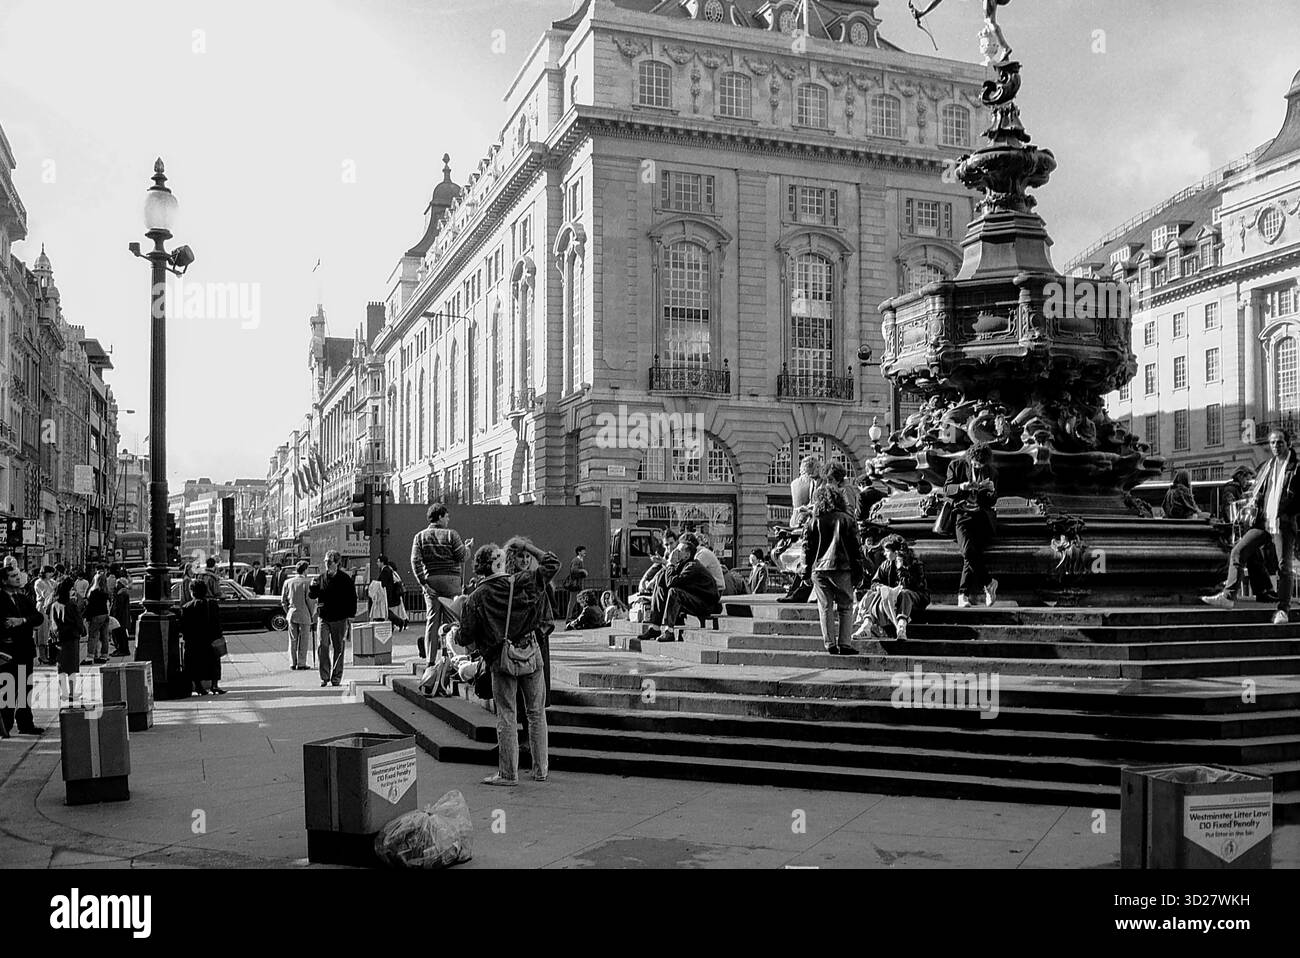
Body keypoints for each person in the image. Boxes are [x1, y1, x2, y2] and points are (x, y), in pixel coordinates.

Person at [458, 538, 559, 786]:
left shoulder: (476, 597)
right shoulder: (522, 582)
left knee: (506, 716)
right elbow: (552, 563)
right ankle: (541, 770)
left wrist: (455, 626)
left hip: (501, 660)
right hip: (530, 655)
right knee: (536, 714)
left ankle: (508, 774)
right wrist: (527, 546)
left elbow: (465, 637)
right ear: (497, 565)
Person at [1202, 428, 1300, 624]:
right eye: (1272, 442)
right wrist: (1253, 502)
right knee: (1238, 551)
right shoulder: (1267, 466)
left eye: (1279, 442)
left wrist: (1289, 513)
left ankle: (1283, 610)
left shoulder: (1296, 468)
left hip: (1283, 522)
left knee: (1284, 567)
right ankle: (1228, 596)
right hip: (1263, 521)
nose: (1275, 446)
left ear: (1288, 443)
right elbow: (1259, 491)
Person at [803, 484, 865, 655]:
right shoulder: (847, 519)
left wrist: (805, 572)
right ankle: (845, 643)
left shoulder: (813, 521)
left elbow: (807, 548)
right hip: (843, 567)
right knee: (845, 607)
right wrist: (859, 573)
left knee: (825, 607)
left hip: (819, 569)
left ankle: (829, 643)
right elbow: (856, 548)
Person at [410, 503, 470, 661]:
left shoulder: (420, 537)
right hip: (451, 581)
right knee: (451, 621)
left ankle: (430, 660)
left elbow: (415, 561)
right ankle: (449, 659)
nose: (448, 519)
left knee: (432, 621)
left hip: (432, 581)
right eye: (447, 516)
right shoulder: (452, 535)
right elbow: (461, 556)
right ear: (440, 517)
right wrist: (467, 548)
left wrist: (424, 583)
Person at [944, 442, 1000, 608]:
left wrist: (990, 491)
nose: (978, 466)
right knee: (968, 551)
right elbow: (947, 489)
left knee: (971, 556)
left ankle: (963, 595)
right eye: (976, 463)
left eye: (981, 464)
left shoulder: (991, 471)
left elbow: (993, 500)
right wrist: (961, 486)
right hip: (962, 514)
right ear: (970, 458)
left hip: (982, 517)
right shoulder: (956, 465)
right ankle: (989, 583)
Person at [642, 533, 721, 642]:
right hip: (694, 598)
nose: (674, 553)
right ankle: (655, 627)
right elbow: (666, 579)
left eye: (679, 551)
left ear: (687, 555)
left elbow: (671, 583)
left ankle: (669, 631)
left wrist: (670, 564)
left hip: (706, 604)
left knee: (674, 592)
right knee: (661, 578)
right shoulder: (682, 564)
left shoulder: (692, 566)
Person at [855, 535, 930, 641]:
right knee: (873, 594)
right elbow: (875, 582)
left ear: (896, 552)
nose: (884, 554)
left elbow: (909, 586)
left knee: (904, 593)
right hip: (892, 598)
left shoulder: (915, 564)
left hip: (915, 597)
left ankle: (901, 627)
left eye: (886, 551)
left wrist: (901, 570)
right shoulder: (886, 564)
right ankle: (866, 625)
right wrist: (880, 587)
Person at [0, 564, 45, 736]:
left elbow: (38, 617)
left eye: (18, 575)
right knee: (8, 689)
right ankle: (6, 724)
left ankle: (25, 723)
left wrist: (22, 621)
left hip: (25, 650)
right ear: (4, 581)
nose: (18, 578)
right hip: (8, 652)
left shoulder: (22, 598)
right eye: (13, 576)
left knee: (25, 687)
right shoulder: (1, 599)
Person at [1219, 466, 1276, 603]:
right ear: (1239, 476)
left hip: (1243, 532)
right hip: (1236, 533)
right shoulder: (1230, 490)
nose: (1247, 481)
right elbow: (1230, 511)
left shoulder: (1238, 490)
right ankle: (1261, 591)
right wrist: (1246, 503)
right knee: (1249, 557)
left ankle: (1265, 590)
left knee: (1255, 559)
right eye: (1246, 478)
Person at [310, 550, 356, 687]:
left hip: (340, 618)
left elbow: (352, 598)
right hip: (324, 617)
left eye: (329, 562)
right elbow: (313, 595)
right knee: (322, 645)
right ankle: (324, 676)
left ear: (337, 563)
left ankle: (336, 677)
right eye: (325, 562)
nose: (327, 564)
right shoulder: (320, 578)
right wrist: (312, 587)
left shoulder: (345, 579)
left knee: (339, 648)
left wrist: (351, 616)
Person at [780, 456, 823, 603]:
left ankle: (798, 594)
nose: (809, 477)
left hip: (821, 528)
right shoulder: (812, 483)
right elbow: (813, 502)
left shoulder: (825, 483)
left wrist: (810, 510)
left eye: (811, 473)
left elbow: (823, 504)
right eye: (807, 474)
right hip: (811, 525)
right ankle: (795, 592)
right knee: (804, 558)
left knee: (807, 558)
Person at [179, 579, 225, 696]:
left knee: (194, 664)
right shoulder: (212, 604)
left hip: (194, 642)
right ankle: (214, 685)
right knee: (214, 662)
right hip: (211, 640)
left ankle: (199, 687)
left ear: (192, 592)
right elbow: (217, 622)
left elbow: (184, 627)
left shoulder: (187, 607)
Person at [50, 575, 86, 703]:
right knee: (72, 668)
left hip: (60, 639)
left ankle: (64, 693)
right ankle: (71, 693)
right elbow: (78, 621)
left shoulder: (55, 605)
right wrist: (81, 630)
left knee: (61, 667)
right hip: (72, 638)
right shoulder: (71, 605)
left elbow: (53, 623)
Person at [281, 560, 315, 670]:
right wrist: (312, 614)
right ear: (305, 570)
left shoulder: (288, 582)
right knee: (304, 640)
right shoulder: (307, 582)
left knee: (292, 639)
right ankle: (301, 662)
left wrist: (288, 611)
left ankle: (292, 662)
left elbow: (283, 600)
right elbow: (310, 600)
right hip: (304, 614)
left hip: (292, 613)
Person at [84, 571, 112, 664]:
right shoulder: (106, 591)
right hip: (105, 615)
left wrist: (86, 617)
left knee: (93, 636)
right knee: (104, 636)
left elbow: (90, 606)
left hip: (96, 615)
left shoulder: (93, 592)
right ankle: (104, 655)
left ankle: (90, 656)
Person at [379, 555, 408, 631]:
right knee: (395, 611)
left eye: (378, 561)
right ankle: (398, 622)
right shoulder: (391, 572)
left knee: (387, 611)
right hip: (394, 595)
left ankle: (398, 622)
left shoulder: (386, 571)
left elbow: (384, 584)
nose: (377, 563)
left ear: (382, 562)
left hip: (389, 595)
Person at [34, 566, 57, 664]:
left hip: (52, 607)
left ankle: (51, 654)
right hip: (42, 606)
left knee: (51, 631)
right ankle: (42, 655)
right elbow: (46, 594)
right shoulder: (39, 582)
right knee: (42, 631)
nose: (51, 574)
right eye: (50, 572)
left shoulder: (52, 582)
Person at [560, 546, 589, 618]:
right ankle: (569, 617)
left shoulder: (579, 560)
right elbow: (573, 570)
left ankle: (580, 616)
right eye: (583, 551)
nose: (585, 552)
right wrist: (583, 571)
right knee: (573, 602)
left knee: (579, 601)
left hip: (578, 584)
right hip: (575, 585)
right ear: (579, 552)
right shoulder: (576, 560)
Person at [110, 573, 133, 657]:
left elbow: (118, 607)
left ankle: (123, 650)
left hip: (120, 618)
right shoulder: (120, 593)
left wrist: (115, 615)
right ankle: (120, 648)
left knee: (121, 635)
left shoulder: (122, 593)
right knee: (118, 635)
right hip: (120, 617)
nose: (116, 585)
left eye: (117, 584)